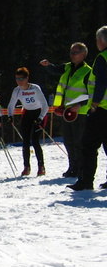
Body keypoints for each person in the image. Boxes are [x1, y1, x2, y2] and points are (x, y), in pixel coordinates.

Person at [40, 43, 91, 178]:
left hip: (80, 112)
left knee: (78, 142)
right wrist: (48, 65)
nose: (72, 55)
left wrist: (79, 105)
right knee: (68, 141)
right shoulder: (68, 67)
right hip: (67, 112)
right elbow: (55, 69)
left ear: (83, 54)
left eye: (75, 53)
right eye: (71, 52)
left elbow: (92, 93)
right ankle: (72, 167)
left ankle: (81, 168)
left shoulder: (88, 71)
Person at [69, 26, 107, 191]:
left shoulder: (102, 58)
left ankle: (85, 181)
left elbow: (101, 83)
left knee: (88, 145)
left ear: (101, 41)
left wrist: (95, 103)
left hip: (101, 109)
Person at [7, 66, 48, 176]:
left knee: (35, 140)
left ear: (27, 78)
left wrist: (40, 118)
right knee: (25, 141)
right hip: (27, 114)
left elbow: (45, 105)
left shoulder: (35, 88)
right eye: (17, 79)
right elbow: (11, 105)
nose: (19, 81)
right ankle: (26, 167)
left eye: (21, 79)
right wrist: (10, 115)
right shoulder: (17, 90)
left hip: (39, 113)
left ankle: (41, 166)